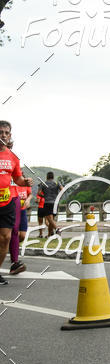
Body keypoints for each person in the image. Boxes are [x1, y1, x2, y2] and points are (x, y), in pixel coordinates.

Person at [0, 121, 33, 284]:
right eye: (1, 132)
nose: (3, 135)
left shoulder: (13, 157)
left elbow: (17, 178)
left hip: (6, 202)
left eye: (6, 133)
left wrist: (25, 182)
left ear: (10, 135)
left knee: (5, 237)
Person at [38, 172, 61, 236]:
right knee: (52, 219)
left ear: (47, 177)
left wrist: (44, 196)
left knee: (49, 219)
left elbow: (39, 193)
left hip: (47, 202)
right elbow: (62, 190)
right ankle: (49, 235)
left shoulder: (43, 183)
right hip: (55, 203)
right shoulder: (57, 183)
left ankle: (57, 229)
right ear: (53, 176)